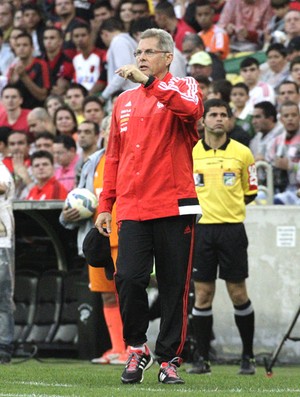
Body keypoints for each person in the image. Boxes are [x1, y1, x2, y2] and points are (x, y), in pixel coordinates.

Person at [95, 28, 203, 385]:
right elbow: (114, 157)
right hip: (132, 206)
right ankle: (137, 347)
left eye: (149, 52)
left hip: (175, 204)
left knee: (174, 286)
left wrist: (146, 82)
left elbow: (190, 110)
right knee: (127, 277)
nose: (140, 57)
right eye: (138, 52)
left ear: (167, 57)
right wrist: (105, 204)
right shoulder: (122, 103)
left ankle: (169, 358)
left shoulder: (184, 86)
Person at [188, 98, 257, 376]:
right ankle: (201, 359)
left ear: (229, 120)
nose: (219, 119)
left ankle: (248, 357)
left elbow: (250, 192)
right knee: (202, 294)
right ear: (203, 121)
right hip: (201, 229)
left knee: (238, 292)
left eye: (223, 115)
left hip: (231, 229)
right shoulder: (190, 152)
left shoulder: (243, 153)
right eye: (213, 114)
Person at [60, 117, 127, 366]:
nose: (115, 133)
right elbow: (79, 195)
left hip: (126, 237)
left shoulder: (133, 158)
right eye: (111, 128)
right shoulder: (92, 162)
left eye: (119, 128)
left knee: (127, 294)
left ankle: (134, 349)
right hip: (99, 240)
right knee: (107, 296)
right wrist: (66, 215)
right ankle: (117, 348)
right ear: (104, 132)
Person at [7, 32, 50, 110]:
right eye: (18, 45)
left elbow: (42, 96)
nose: (21, 48)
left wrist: (24, 77)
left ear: (32, 48)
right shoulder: (12, 68)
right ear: (14, 49)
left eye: (25, 45)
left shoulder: (41, 65)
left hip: (36, 110)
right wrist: (12, 82)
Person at [0, 160, 15, 364]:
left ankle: (4, 345)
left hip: (1, 241)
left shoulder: (1, 167)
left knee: (2, 295)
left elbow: (2, 186)